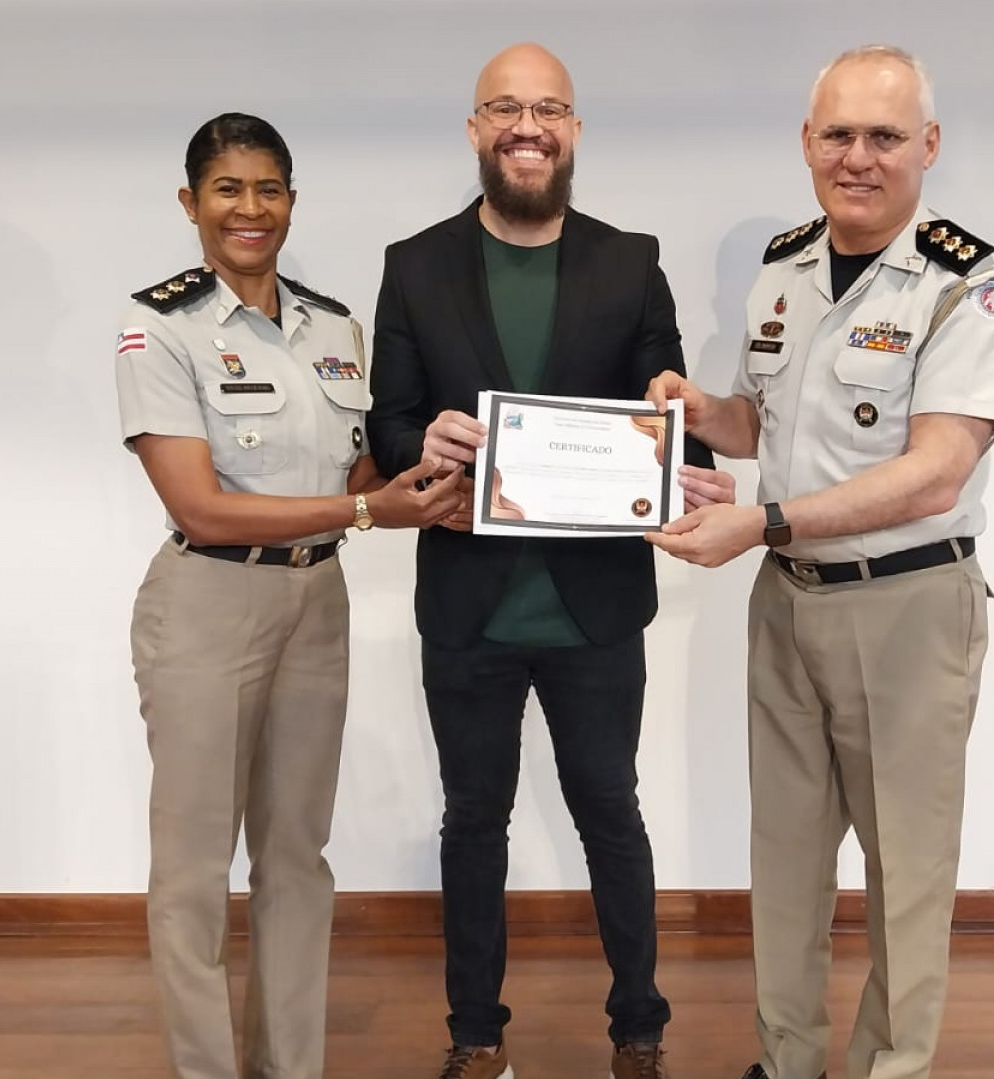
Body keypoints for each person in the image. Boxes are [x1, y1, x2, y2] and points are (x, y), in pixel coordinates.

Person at [644, 46, 994, 1079]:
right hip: (789, 601)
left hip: (905, 605)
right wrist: (700, 410)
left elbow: (935, 473)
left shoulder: (967, 285)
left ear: (928, 146)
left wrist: (764, 523)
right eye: (838, 134)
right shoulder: (786, 267)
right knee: (784, 856)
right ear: (807, 142)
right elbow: (759, 422)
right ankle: (788, 1059)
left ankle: (890, 1067)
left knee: (907, 869)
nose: (858, 157)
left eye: (884, 136)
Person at [365, 42, 736, 1079]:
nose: (527, 128)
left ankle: (640, 1029)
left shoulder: (630, 261)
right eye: (505, 109)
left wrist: (689, 466)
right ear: (475, 129)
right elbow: (387, 423)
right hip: (469, 603)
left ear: (573, 129)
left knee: (610, 811)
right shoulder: (415, 264)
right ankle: (475, 1033)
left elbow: (667, 409)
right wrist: (420, 442)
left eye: (548, 109)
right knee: (472, 822)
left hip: (594, 607)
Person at [114, 112, 464, 1079]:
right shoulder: (159, 328)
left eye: (268, 189)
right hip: (207, 603)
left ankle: (289, 1067)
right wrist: (368, 508)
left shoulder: (335, 327)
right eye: (227, 189)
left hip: (317, 602)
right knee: (193, 868)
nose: (250, 208)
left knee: (299, 857)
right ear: (191, 203)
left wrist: (449, 477)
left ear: (292, 202)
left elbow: (361, 473)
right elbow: (201, 505)